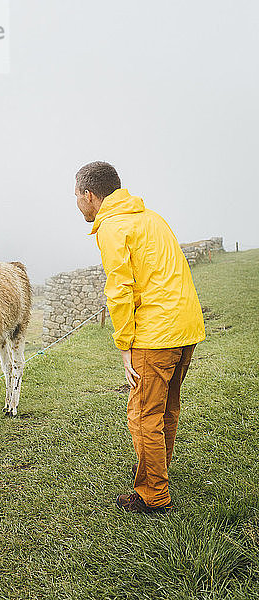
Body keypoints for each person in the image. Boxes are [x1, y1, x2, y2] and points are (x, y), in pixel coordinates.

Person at [75, 161, 205, 514]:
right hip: (185, 328)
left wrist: (124, 345)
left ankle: (153, 494)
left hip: (155, 336)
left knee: (143, 415)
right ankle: (156, 475)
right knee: (165, 409)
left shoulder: (113, 227)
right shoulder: (151, 218)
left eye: (75, 195)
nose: (76, 202)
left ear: (90, 195)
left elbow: (120, 291)